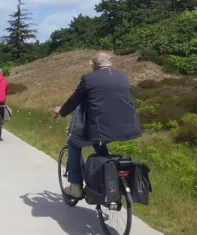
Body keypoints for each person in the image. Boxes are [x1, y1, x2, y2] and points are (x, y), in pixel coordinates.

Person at [53, 51, 142, 199]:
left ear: (93, 65)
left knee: (74, 144)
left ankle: (75, 187)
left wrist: (61, 111)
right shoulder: (123, 77)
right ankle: (108, 174)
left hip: (100, 130)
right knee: (101, 142)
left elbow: (74, 100)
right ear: (110, 63)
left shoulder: (89, 79)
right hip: (125, 129)